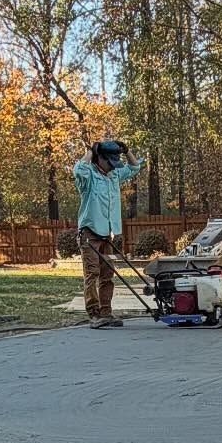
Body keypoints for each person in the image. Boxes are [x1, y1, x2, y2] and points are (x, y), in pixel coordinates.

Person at [72, 138, 144, 328]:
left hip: (108, 233)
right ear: (99, 159)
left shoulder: (114, 176)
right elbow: (78, 169)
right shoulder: (88, 178)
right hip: (89, 233)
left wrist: (127, 151)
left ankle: (106, 312)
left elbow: (135, 167)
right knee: (92, 273)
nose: (113, 166)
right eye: (109, 162)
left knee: (107, 274)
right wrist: (90, 150)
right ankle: (94, 314)